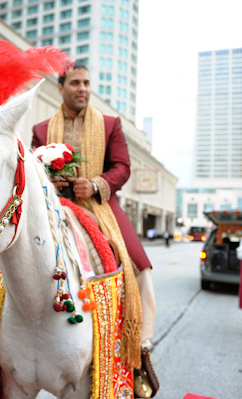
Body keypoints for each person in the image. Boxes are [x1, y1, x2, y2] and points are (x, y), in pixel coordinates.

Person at [31, 62, 159, 398]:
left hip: (100, 206)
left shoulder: (110, 124)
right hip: (52, 206)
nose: (83, 89)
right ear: (60, 88)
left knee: (139, 264)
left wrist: (98, 184)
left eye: (87, 83)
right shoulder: (42, 130)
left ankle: (139, 348)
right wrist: (50, 182)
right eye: (75, 83)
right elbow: (32, 168)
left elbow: (123, 167)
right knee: (4, 256)